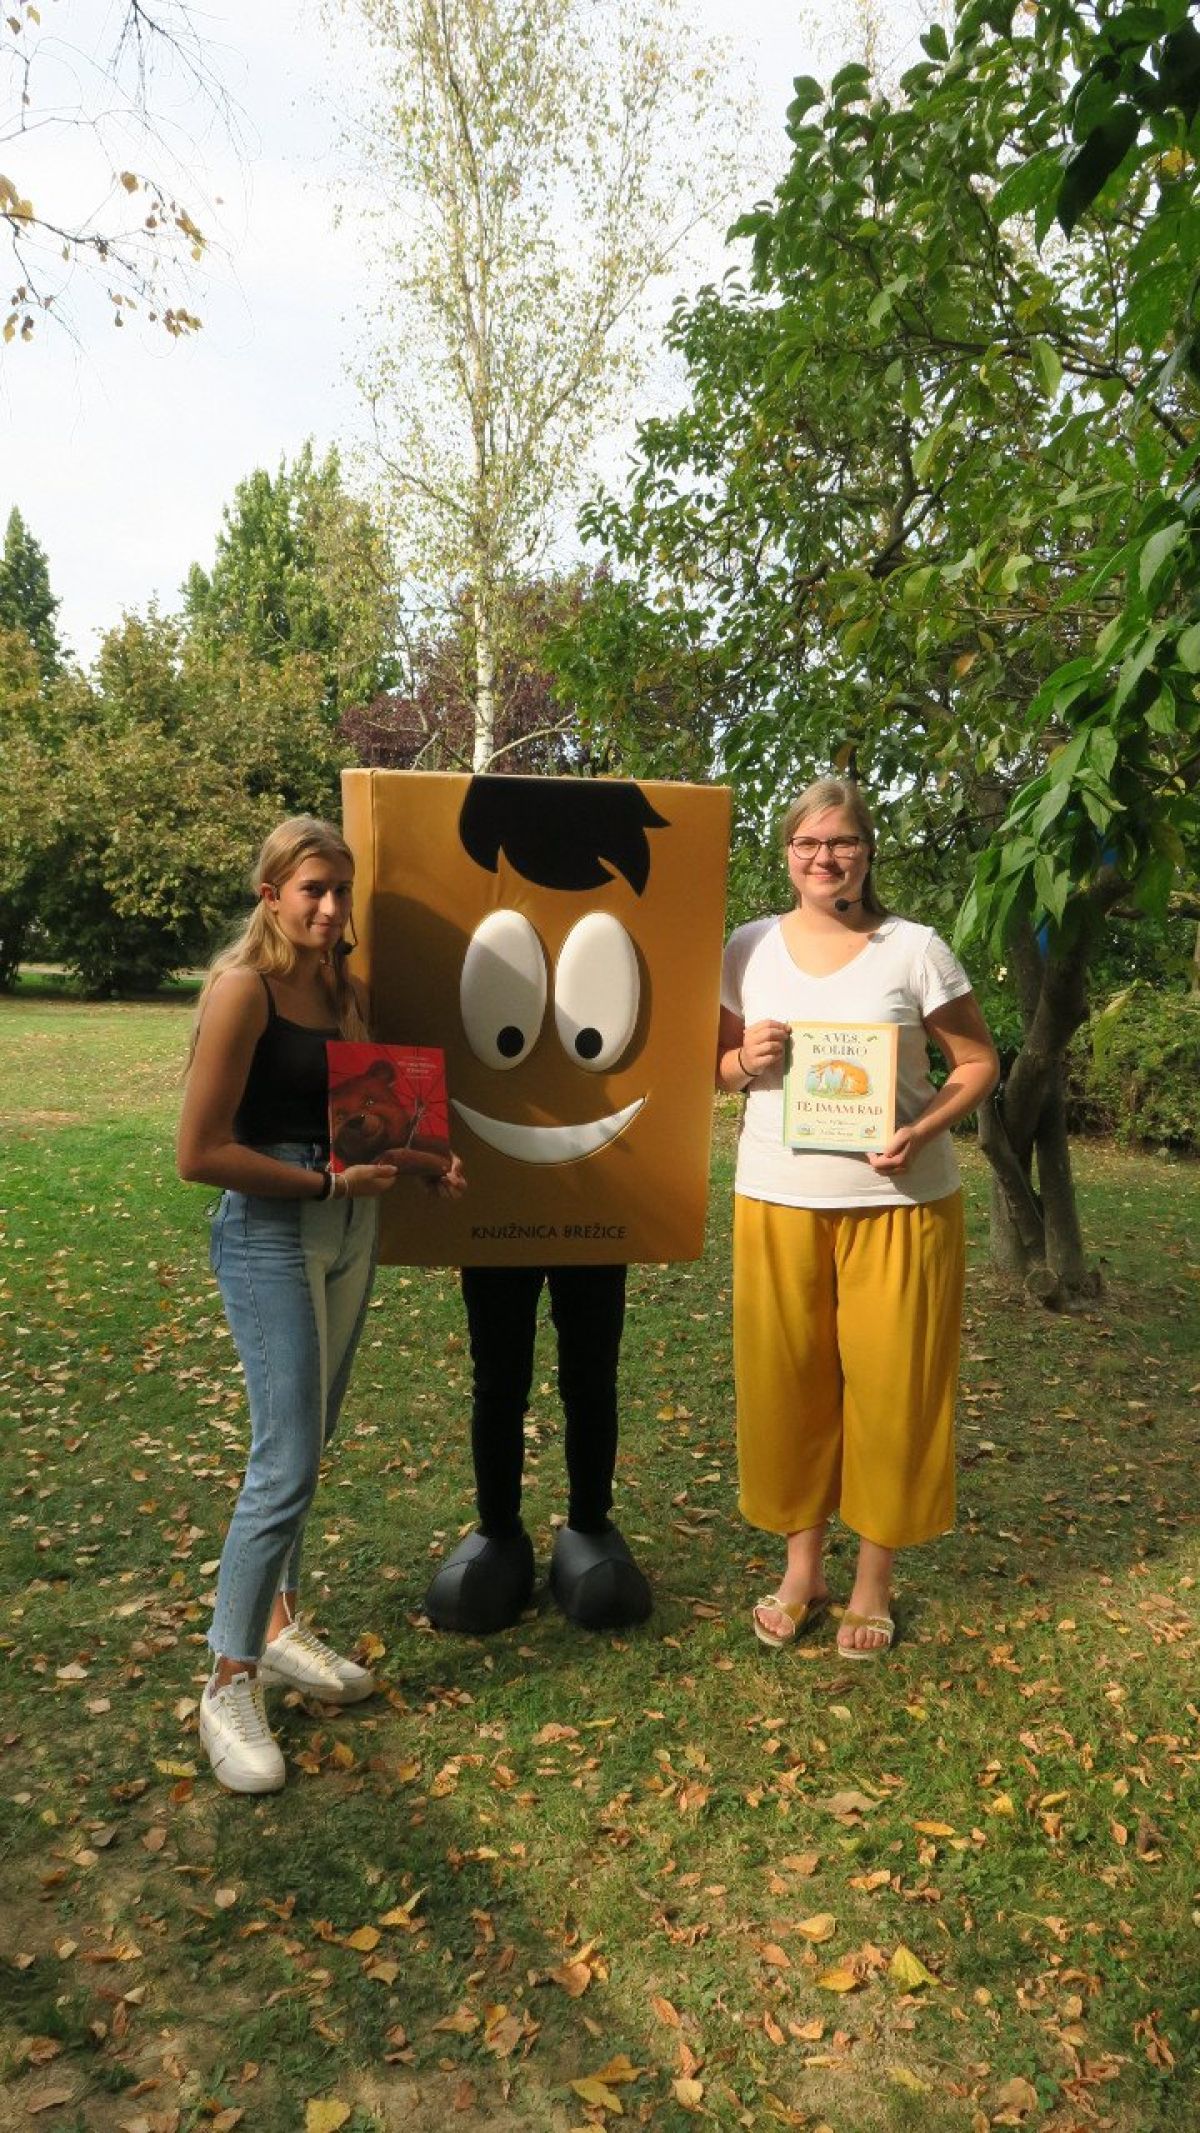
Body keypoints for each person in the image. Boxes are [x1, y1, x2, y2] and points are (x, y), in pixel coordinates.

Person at [177, 816, 465, 1793]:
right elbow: (198, 1153)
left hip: (349, 1227)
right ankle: (228, 1680)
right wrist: (327, 1185)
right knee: (285, 1460)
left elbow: (358, 1124)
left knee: (310, 1441)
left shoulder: (345, 991)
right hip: (271, 1227)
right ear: (271, 894)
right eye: (313, 890)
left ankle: (280, 1625)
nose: (333, 908)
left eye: (342, 890)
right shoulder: (243, 991)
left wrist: (425, 1163)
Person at [716, 779, 998, 1660]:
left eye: (841, 842)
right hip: (777, 1197)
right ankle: (802, 1571)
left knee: (892, 1392)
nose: (824, 858)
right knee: (786, 1387)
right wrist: (742, 1059)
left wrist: (923, 1128)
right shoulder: (748, 946)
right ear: (787, 853)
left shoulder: (914, 949)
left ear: (868, 853)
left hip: (899, 1206)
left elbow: (979, 1061)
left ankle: (873, 1580)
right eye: (807, 842)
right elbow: (716, 1067)